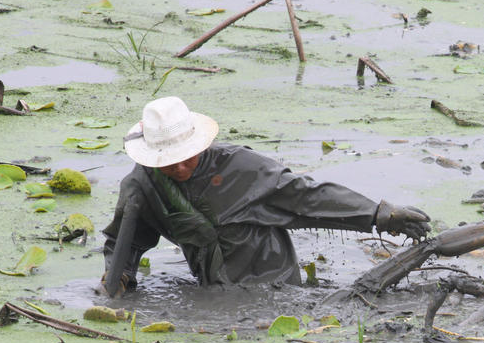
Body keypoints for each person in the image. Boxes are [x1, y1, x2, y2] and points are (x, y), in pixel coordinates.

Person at [101, 96, 430, 295]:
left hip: (274, 285)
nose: (182, 166)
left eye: (189, 155)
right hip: (212, 288)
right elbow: (126, 240)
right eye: (170, 162)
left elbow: (306, 196)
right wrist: (121, 275)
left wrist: (377, 214)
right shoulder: (142, 186)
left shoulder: (241, 168)